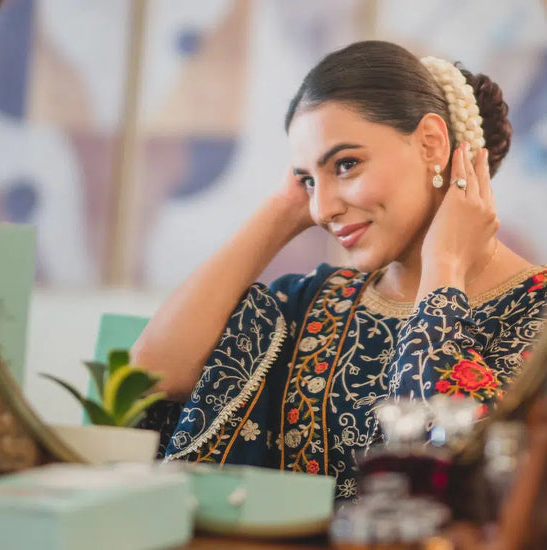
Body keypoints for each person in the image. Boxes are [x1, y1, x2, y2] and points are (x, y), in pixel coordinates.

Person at [131, 40, 547, 500]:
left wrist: (444, 265)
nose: (322, 209)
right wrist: (281, 209)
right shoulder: (311, 303)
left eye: (346, 164)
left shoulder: (538, 313)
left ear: (431, 144)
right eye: (308, 180)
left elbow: (452, 460)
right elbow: (153, 379)